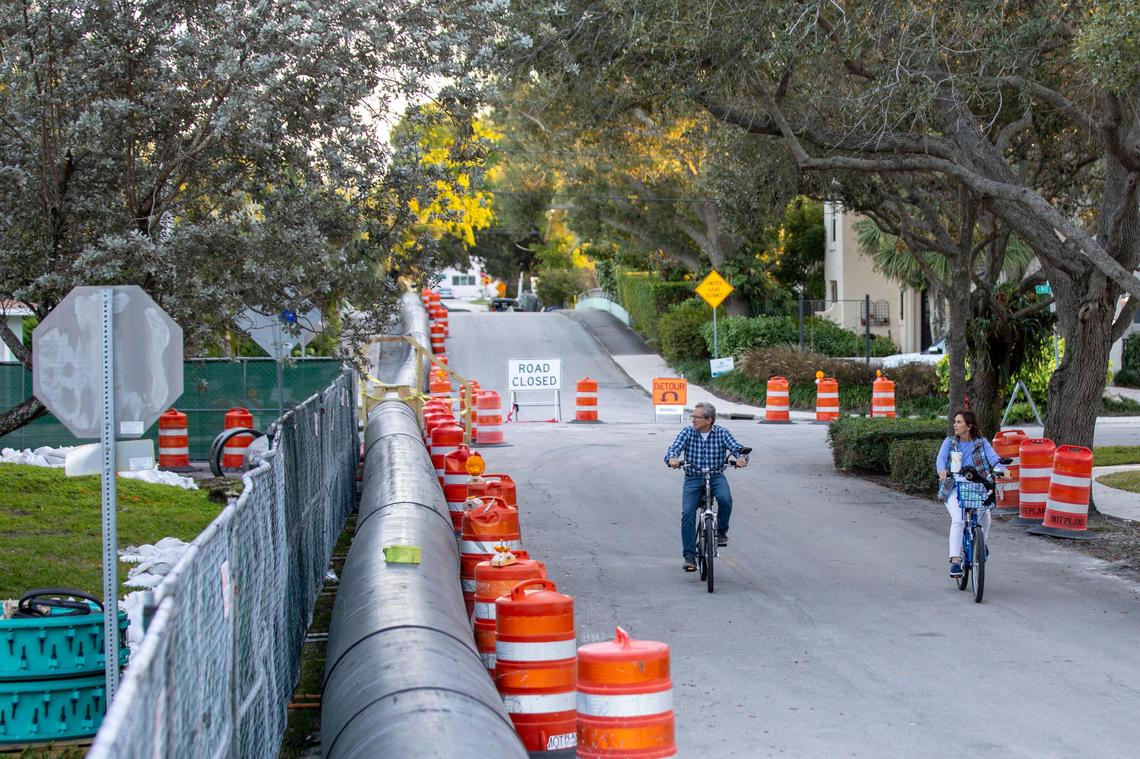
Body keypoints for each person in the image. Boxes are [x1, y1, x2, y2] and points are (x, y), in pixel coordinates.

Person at [664, 402, 748, 572]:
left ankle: (722, 531)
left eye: (697, 417)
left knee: (725, 499)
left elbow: (738, 449)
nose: (693, 419)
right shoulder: (688, 432)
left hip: (716, 475)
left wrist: (741, 458)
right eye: (692, 416)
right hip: (693, 477)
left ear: (709, 420)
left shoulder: (722, 433)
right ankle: (689, 556)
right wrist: (672, 459)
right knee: (687, 513)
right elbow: (673, 449)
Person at [936, 409, 1006, 578]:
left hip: (977, 486)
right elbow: (940, 458)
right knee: (959, 519)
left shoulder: (981, 442)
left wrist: (1002, 470)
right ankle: (955, 560)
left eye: (959, 422)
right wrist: (942, 470)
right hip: (954, 486)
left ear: (969, 426)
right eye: (955, 422)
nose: (955, 425)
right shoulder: (950, 442)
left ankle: (981, 545)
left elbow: (994, 459)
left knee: (985, 515)